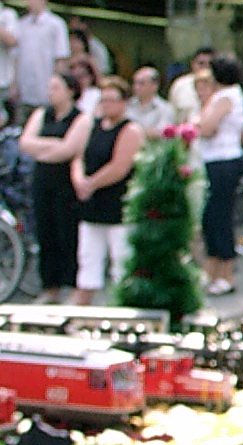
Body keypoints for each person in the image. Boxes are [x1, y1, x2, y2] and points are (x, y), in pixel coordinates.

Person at [70, 77, 144, 304]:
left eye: (112, 100)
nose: (107, 105)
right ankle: (82, 306)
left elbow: (120, 166)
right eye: (104, 100)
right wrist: (80, 179)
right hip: (92, 205)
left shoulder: (130, 130)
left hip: (117, 206)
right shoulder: (93, 127)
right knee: (88, 259)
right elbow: (79, 156)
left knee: (121, 261)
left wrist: (92, 183)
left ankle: (122, 305)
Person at [19, 71, 89, 302]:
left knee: (66, 232)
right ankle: (49, 285)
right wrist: (52, 145)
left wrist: (45, 149)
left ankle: (70, 282)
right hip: (42, 178)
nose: (51, 93)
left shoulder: (81, 118)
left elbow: (68, 149)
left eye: (56, 87)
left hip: (65, 181)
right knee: (45, 231)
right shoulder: (42, 114)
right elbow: (26, 143)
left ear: (70, 90)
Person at [196, 53, 243, 297]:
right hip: (218, 160)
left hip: (224, 160)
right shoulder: (231, 95)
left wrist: (199, 120)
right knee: (211, 217)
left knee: (220, 217)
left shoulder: (225, 97)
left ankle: (226, 273)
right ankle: (213, 270)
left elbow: (206, 127)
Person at [14, 0, 69, 118]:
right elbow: (16, 57)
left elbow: (60, 57)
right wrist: (15, 84)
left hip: (46, 87)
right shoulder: (21, 24)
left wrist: (56, 85)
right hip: (25, 88)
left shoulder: (56, 24)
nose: (29, 2)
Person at [168, 46, 214, 123]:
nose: (205, 67)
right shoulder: (179, 85)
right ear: (193, 64)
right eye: (201, 63)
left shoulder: (222, 87)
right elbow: (172, 115)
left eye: (210, 64)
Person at [127, 67, 174, 137]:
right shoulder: (127, 105)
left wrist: (134, 132)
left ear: (154, 86)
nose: (136, 87)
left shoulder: (165, 109)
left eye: (141, 83)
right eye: (135, 83)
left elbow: (162, 134)